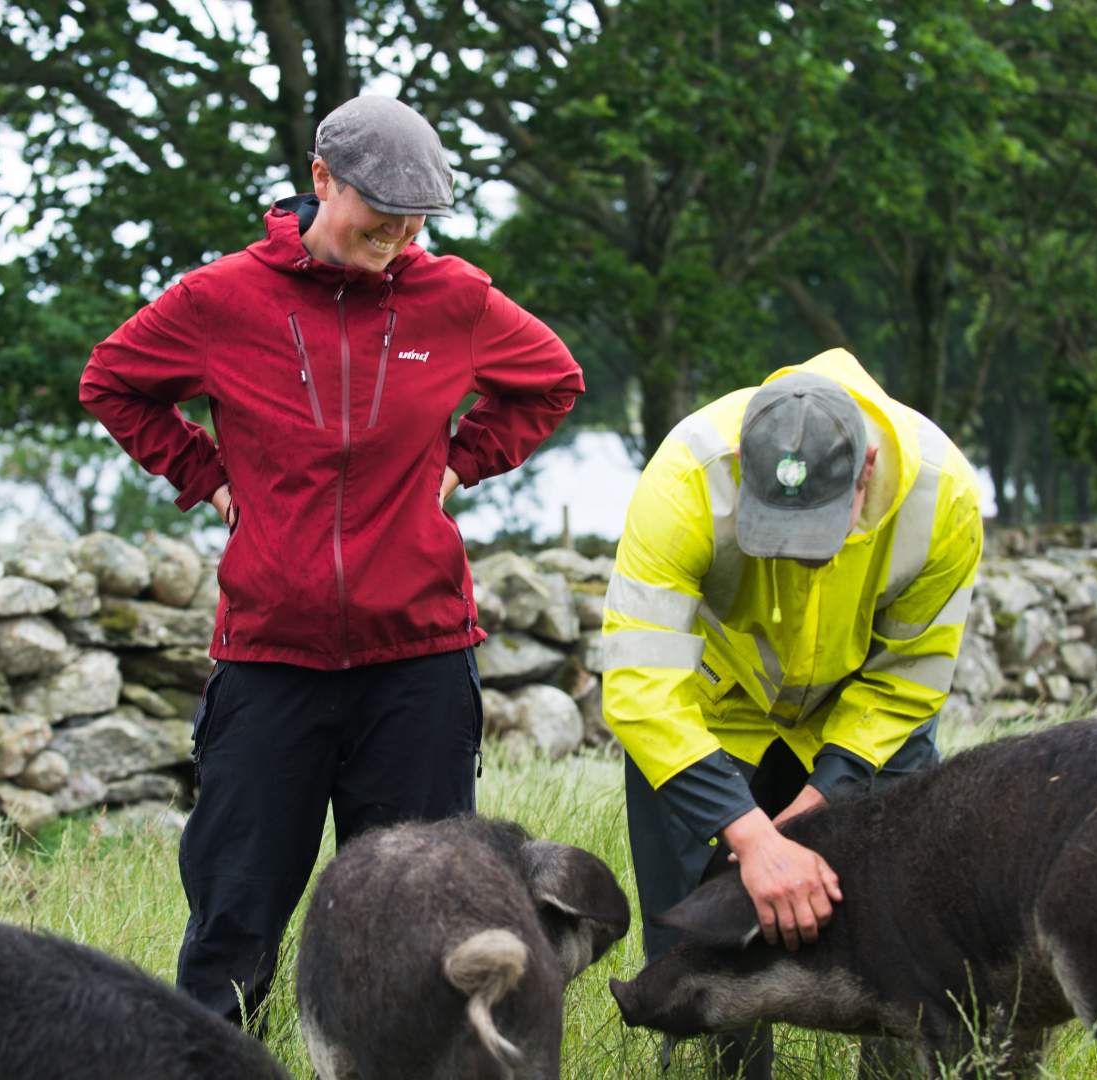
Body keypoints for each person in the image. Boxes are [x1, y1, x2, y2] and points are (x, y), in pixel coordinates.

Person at [78, 95, 584, 1028]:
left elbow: (554, 380)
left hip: (419, 663)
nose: (395, 235)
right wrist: (207, 474)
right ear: (320, 180)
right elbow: (110, 382)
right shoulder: (221, 299)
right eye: (377, 214)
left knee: (425, 924)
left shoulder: (457, 299)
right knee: (236, 923)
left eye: (414, 220)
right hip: (271, 661)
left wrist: (461, 462)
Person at [601, 348, 982, 1077]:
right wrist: (749, 836)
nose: (799, 556)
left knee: (899, 923)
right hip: (710, 717)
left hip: (861, 718)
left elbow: (908, 676)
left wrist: (819, 807)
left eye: (819, 529)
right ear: (744, 459)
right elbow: (640, 682)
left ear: (867, 469)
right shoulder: (683, 478)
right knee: (695, 937)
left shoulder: (946, 498)